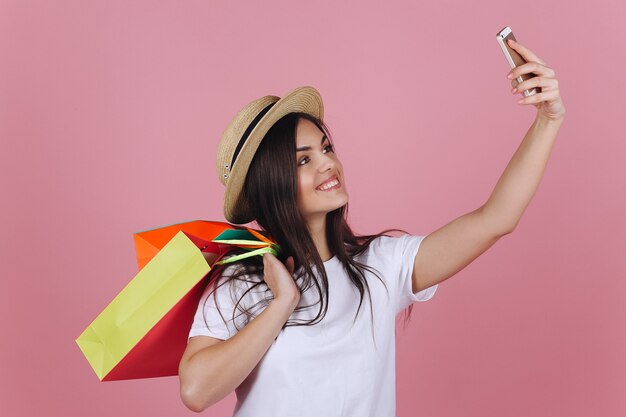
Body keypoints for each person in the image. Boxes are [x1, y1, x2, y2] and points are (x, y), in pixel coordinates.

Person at [178, 40, 565, 416]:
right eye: (302, 161)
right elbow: (196, 391)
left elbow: (496, 219)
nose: (328, 163)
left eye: (326, 148)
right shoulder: (241, 282)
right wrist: (281, 304)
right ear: (272, 184)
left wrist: (548, 119)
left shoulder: (380, 266)